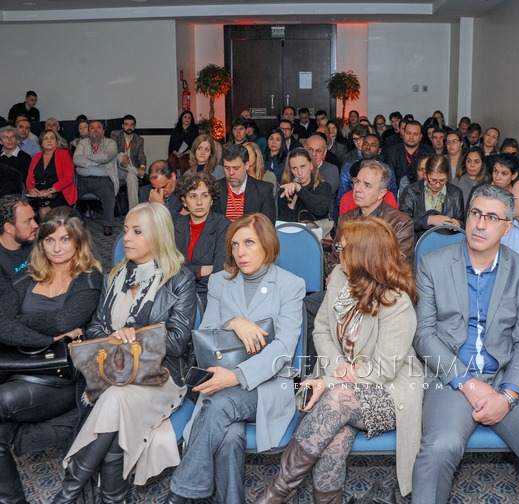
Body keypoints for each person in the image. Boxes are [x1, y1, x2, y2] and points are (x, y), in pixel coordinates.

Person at [412, 184, 519, 504]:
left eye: (492, 217)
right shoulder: (432, 264)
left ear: (507, 227)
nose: (480, 224)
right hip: (452, 375)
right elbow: (424, 335)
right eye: (476, 213)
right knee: (439, 448)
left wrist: (508, 396)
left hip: (508, 376)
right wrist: (467, 383)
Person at [256, 216, 422, 503]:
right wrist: (337, 366)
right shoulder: (340, 279)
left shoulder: (397, 302)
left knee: (337, 399)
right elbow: (321, 329)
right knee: (335, 437)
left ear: (363, 255)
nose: (338, 253)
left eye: (343, 249)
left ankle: (277, 492)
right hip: (341, 382)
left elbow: (382, 369)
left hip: (388, 391)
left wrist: (329, 380)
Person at [54, 202, 196, 504]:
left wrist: (136, 337)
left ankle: (69, 491)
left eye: (137, 232)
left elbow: (177, 342)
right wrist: (113, 337)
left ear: (158, 235)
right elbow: (94, 328)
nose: (126, 238)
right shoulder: (115, 275)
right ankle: (111, 498)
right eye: (126, 230)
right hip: (114, 371)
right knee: (117, 407)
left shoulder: (179, 278)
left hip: (159, 376)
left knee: (115, 399)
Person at [165, 213, 305, 504]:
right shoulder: (220, 282)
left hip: (269, 385)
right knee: (228, 435)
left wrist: (237, 376)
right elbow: (205, 334)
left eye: (249, 243)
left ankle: (180, 494)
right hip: (221, 379)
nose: (241, 252)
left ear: (267, 244)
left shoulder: (291, 285)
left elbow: (283, 349)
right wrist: (233, 322)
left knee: (220, 404)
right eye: (235, 245)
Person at [0, 207, 102, 504]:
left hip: (58, 378)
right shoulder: (27, 275)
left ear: (78, 242)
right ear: (41, 243)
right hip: (17, 368)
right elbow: (2, 322)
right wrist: (48, 337)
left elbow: (64, 320)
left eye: (64, 239)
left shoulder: (88, 277)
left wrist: (23, 321)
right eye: (49, 240)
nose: (56, 248)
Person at [173, 172, 230, 307]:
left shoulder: (224, 226)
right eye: (193, 196)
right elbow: (167, 269)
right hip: (176, 292)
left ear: (212, 199)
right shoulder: (175, 225)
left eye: (204, 195)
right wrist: (199, 271)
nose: (199, 202)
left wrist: (185, 271)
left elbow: (218, 272)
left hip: (209, 295)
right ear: (184, 200)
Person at [400, 153, 464, 240]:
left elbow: (462, 222)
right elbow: (403, 223)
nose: (437, 185)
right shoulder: (411, 191)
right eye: (433, 180)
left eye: (442, 180)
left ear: (447, 176)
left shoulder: (456, 193)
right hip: (419, 242)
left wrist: (457, 223)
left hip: (447, 242)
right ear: (425, 174)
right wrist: (428, 220)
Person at [73, 120, 119, 236]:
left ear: (103, 131)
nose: (95, 130)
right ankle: (75, 221)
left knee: (108, 192)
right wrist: (95, 162)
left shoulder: (111, 143)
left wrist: (86, 157)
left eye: (98, 127)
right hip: (82, 180)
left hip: (102, 181)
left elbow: (106, 156)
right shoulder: (83, 142)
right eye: (92, 128)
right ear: (89, 131)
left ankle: (107, 224)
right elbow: (76, 159)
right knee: (69, 193)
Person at [215, 144, 276, 223]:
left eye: (236, 168)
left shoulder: (263, 190)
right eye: (227, 168)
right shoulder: (215, 188)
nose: (231, 172)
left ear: (246, 165)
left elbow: (267, 226)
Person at [26, 129, 78, 219]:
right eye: (46, 138)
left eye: (52, 138)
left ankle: (45, 228)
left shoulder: (63, 154)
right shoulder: (36, 157)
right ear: (41, 143)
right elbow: (30, 178)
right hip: (39, 194)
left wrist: (49, 191)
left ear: (57, 142)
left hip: (60, 193)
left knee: (43, 211)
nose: (49, 141)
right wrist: (31, 190)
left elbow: (68, 178)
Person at [277, 148, 332, 223]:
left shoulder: (323, 187)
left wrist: (299, 189)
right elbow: (284, 224)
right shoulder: (285, 191)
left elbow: (320, 209)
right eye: (294, 168)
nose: (300, 173)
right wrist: (291, 206)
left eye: (303, 167)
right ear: (290, 170)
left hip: (318, 230)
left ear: (311, 165)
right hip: (294, 230)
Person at [0, 195, 38, 289]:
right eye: (28, 222)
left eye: (33, 219)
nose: (35, 225)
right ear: (9, 228)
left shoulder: (33, 241)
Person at [110, 114, 146, 210]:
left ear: (134, 126)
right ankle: (137, 172)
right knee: (118, 155)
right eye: (126, 124)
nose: (129, 127)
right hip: (116, 169)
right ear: (122, 126)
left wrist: (142, 167)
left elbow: (141, 156)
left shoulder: (139, 140)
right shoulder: (115, 135)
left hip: (128, 171)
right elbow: (112, 150)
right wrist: (123, 156)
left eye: (131, 125)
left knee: (132, 177)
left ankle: (133, 211)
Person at [168, 110, 199, 175]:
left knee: (182, 160)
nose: (187, 119)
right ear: (181, 118)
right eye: (185, 117)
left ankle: (185, 178)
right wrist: (176, 153)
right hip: (176, 153)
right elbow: (171, 146)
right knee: (171, 159)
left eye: (189, 118)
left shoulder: (194, 131)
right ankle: (174, 176)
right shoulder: (175, 131)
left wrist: (183, 153)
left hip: (188, 153)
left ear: (191, 120)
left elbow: (195, 146)